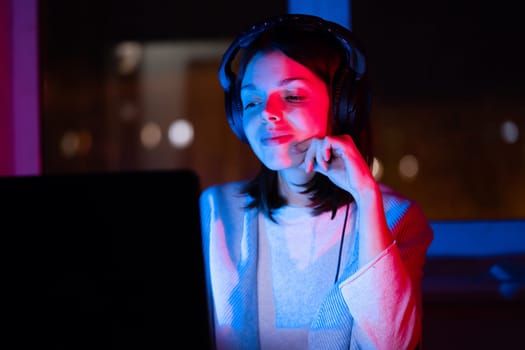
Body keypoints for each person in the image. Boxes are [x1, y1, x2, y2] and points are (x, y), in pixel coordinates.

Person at [199, 13, 434, 350]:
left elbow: (393, 346)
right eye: (252, 101)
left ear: (342, 107)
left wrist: (366, 198)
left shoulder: (396, 217)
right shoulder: (215, 212)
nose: (267, 113)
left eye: (292, 96)